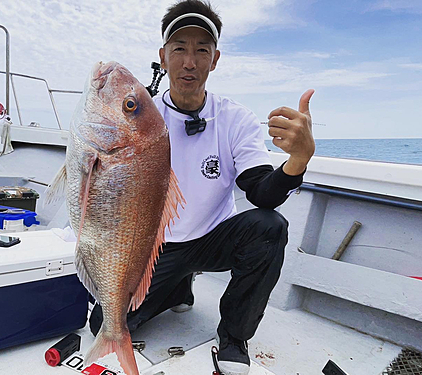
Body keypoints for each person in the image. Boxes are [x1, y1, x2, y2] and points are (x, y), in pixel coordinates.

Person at [90, 1, 315, 374]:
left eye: (201, 50)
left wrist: (298, 160)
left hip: (214, 236)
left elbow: (261, 192)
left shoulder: (234, 118)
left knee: (269, 227)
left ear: (215, 59)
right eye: (179, 48)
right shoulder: (140, 115)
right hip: (156, 245)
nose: (189, 62)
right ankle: (178, 286)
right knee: (106, 324)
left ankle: (234, 337)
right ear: (163, 57)